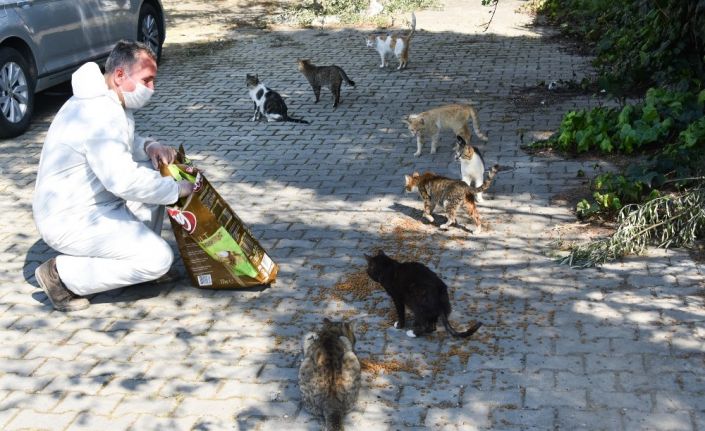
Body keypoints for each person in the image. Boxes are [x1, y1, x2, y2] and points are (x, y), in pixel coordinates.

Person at [32, 40, 193, 312]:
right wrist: (175, 189)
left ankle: (137, 264)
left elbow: (120, 145)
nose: (151, 88)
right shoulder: (99, 113)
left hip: (89, 205)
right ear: (120, 75)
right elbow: (122, 180)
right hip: (70, 217)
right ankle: (60, 276)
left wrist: (148, 146)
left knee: (151, 170)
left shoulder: (103, 99)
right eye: (147, 80)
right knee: (158, 258)